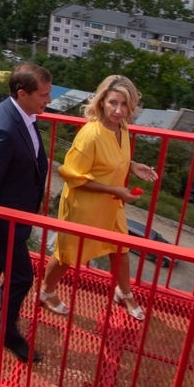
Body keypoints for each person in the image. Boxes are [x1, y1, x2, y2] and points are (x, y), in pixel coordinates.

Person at [39, 75, 159, 322]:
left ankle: (123, 292)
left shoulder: (122, 128)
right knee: (67, 254)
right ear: (102, 101)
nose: (118, 110)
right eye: (113, 102)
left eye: (125, 105)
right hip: (85, 205)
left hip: (111, 204)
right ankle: (46, 292)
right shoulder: (90, 135)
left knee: (121, 248)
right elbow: (73, 177)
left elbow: (110, 160)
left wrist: (133, 165)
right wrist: (116, 191)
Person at [0, 63, 53, 364]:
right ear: (22, 93)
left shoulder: (22, 114)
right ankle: (9, 333)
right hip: (0, 221)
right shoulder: (2, 129)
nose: (48, 101)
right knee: (21, 277)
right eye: (43, 95)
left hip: (13, 214)